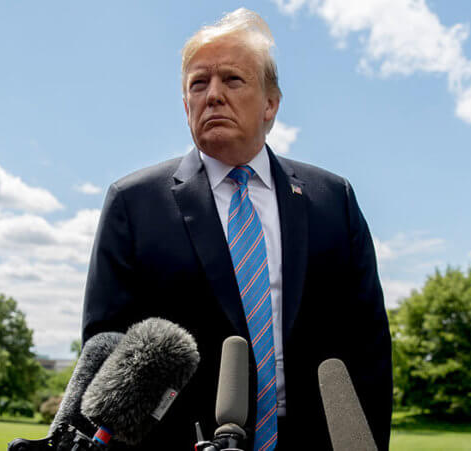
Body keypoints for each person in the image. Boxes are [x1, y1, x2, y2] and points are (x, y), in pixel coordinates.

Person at [82, 8, 391, 451]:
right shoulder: (133, 202)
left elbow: (369, 348)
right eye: (198, 83)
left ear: (270, 103)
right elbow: (106, 349)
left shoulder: (333, 199)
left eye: (232, 80)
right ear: (185, 103)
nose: (213, 95)